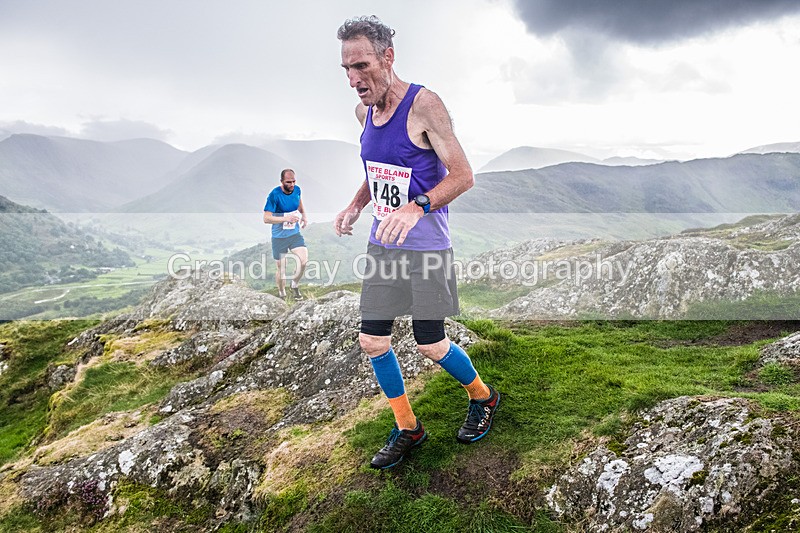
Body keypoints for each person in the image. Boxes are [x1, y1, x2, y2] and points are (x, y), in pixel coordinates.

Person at [334, 16, 499, 469]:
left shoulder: (425, 105)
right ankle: (409, 427)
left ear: (388, 57)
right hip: (384, 245)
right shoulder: (363, 113)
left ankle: (483, 397)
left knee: (430, 343)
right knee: (372, 341)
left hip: (427, 248)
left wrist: (415, 207)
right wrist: (355, 205)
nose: (353, 79)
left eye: (362, 65)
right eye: (346, 69)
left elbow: (464, 176)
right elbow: (377, 169)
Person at [263, 168, 308, 300]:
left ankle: (294, 285)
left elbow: (299, 203)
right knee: (282, 269)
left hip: (294, 234)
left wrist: (304, 216)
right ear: (281, 182)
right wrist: (285, 219)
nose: (292, 185)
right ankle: (282, 294)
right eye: (288, 182)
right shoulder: (274, 195)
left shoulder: (297, 190)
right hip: (279, 237)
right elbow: (266, 219)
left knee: (303, 261)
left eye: (294, 181)